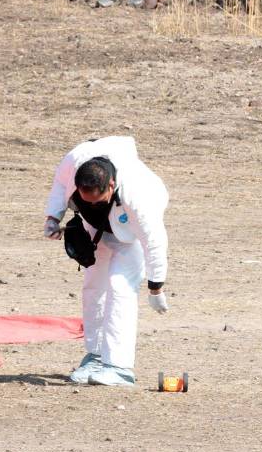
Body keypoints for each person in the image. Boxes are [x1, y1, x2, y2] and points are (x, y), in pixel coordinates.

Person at [43, 136, 170, 386]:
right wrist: (53, 217)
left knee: (120, 286)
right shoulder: (74, 161)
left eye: (97, 201)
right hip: (98, 227)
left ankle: (119, 367)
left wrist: (156, 286)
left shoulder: (139, 194)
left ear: (111, 185)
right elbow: (60, 183)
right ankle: (96, 356)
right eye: (86, 200)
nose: (92, 204)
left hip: (130, 233)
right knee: (93, 286)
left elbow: (154, 240)